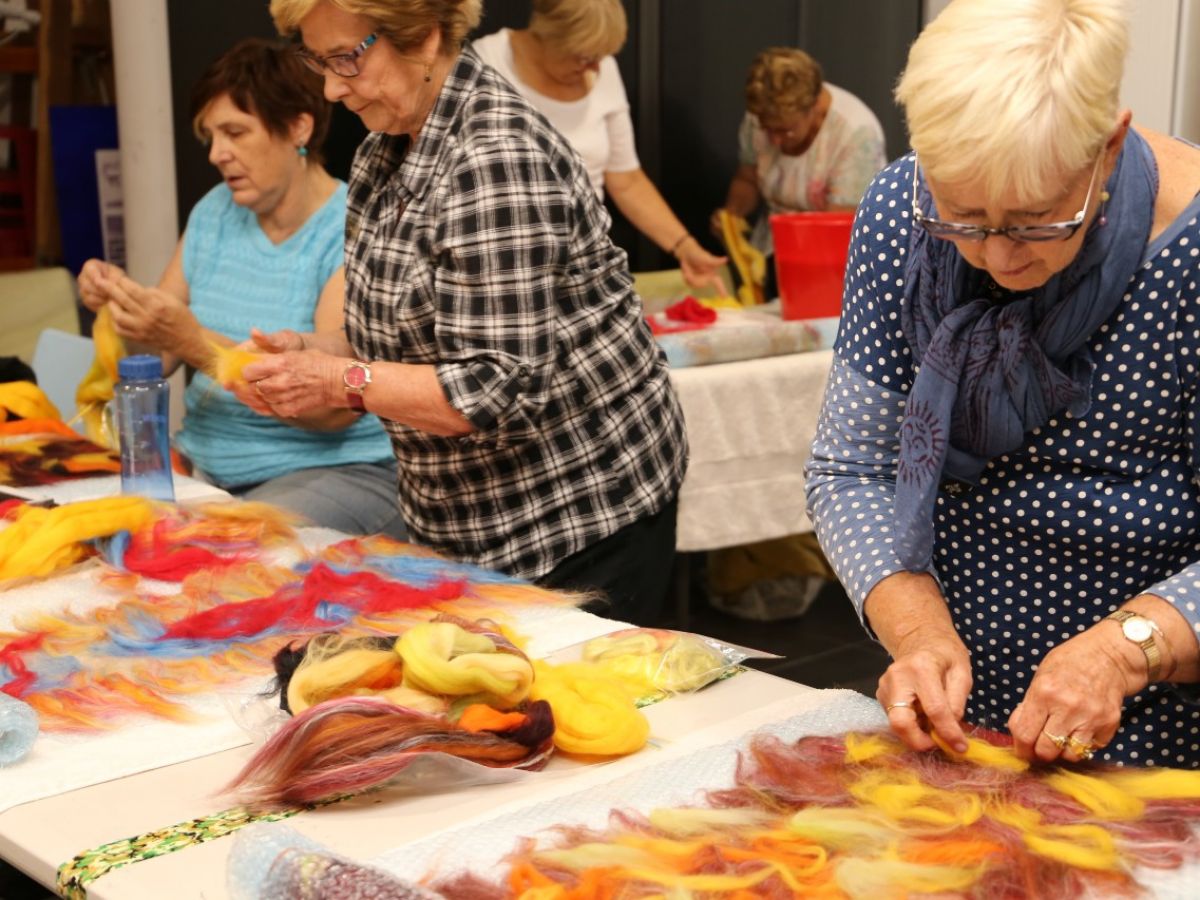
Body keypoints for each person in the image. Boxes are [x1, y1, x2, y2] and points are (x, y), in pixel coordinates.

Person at [804, 0, 1200, 768]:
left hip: (1157, 737)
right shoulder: (901, 211)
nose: (996, 259)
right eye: (963, 216)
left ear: (1109, 146)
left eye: (1035, 221)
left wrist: (1121, 654)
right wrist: (917, 635)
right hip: (955, 712)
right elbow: (853, 467)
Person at [252, 0, 688, 625]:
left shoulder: (494, 158)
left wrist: (338, 383)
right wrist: (318, 356)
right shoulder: (384, 152)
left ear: (425, 38)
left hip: (578, 516)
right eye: (318, 61)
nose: (329, 86)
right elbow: (409, 340)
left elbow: (489, 389)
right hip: (466, 520)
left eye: (347, 58)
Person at [76, 39, 404, 539]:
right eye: (210, 136)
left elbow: (333, 408)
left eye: (234, 132)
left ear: (299, 126)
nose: (216, 153)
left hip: (334, 474)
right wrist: (123, 307)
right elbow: (152, 361)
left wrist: (193, 343)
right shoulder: (214, 212)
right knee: (102, 535)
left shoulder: (349, 227)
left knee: (220, 550)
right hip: (208, 473)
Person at [472, 0, 727, 295]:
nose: (595, 67)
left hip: (585, 265)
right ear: (545, 34)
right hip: (507, 270)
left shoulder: (602, 67)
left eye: (601, 57)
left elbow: (627, 180)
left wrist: (685, 247)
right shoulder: (486, 65)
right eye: (584, 56)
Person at [714, 47, 885, 296]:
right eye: (767, 129)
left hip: (833, 265)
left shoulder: (856, 134)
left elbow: (838, 232)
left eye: (785, 131)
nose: (774, 140)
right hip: (772, 252)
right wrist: (732, 216)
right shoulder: (760, 115)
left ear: (814, 106)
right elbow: (747, 178)